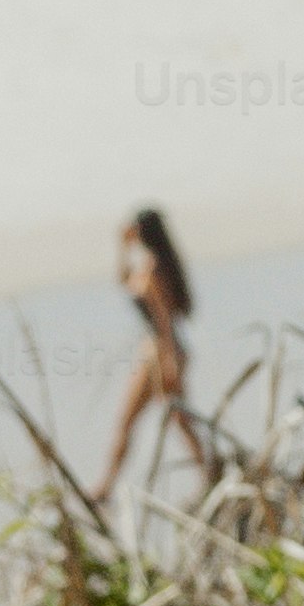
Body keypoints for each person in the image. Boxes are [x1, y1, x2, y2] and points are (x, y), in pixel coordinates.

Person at [102, 205, 200, 482]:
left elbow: (164, 320)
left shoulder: (154, 269)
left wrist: (169, 363)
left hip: (162, 352)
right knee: (176, 420)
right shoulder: (151, 264)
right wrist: (122, 247)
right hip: (160, 351)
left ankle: (106, 485)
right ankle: (106, 485)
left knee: (158, 420)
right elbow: (123, 279)